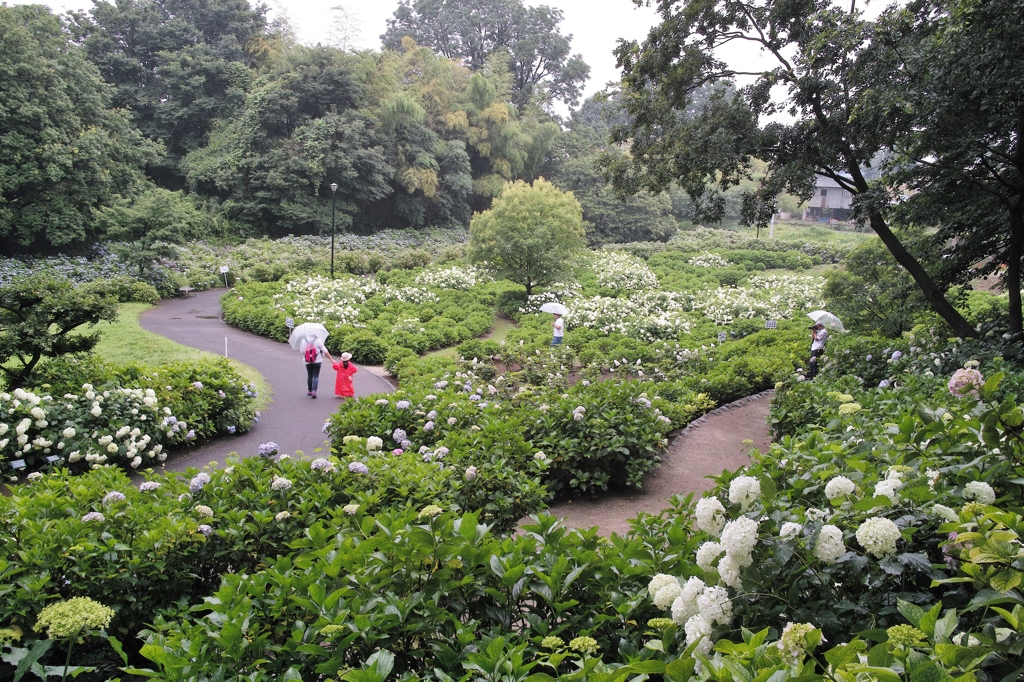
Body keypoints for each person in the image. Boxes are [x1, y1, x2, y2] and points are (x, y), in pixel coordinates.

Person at [302, 334, 334, 398]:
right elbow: (325, 350)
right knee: (316, 376)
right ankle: (314, 391)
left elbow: (302, 351)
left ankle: (310, 390)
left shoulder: (304, 340)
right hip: (317, 361)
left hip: (307, 361)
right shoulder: (318, 341)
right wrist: (331, 359)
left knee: (309, 375)